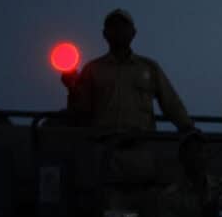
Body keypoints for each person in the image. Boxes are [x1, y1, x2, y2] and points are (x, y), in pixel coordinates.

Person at [63, 9, 195, 131]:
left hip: (141, 147)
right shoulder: (92, 69)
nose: (118, 31)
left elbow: (171, 102)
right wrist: (72, 89)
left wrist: (188, 128)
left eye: (123, 26)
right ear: (105, 34)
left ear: (133, 33)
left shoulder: (150, 67)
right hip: (103, 148)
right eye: (113, 26)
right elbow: (80, 112)